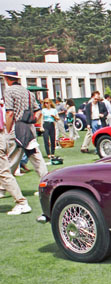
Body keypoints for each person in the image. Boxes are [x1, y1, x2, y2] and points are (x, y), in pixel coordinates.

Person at [0, 68, 46, 215]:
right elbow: (38, 111)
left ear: (7, 79)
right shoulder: (28, 92)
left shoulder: (8, 92)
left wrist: (7, 131)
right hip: (29, 128)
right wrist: (31, 121)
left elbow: (10, 112)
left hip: (16, 127)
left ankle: (3, 188)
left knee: (11, 160)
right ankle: (46, 183)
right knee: (36, 158)